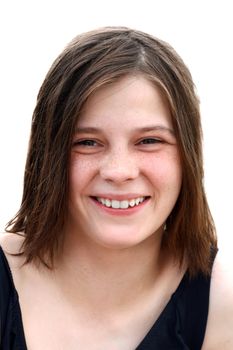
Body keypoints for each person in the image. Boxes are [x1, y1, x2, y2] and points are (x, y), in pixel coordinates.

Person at [0, 26, 232, 350]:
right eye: (88, 142)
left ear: (188, 157)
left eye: (149, 141)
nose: (119, 171)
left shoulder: (224, 308)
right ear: (48, 154)